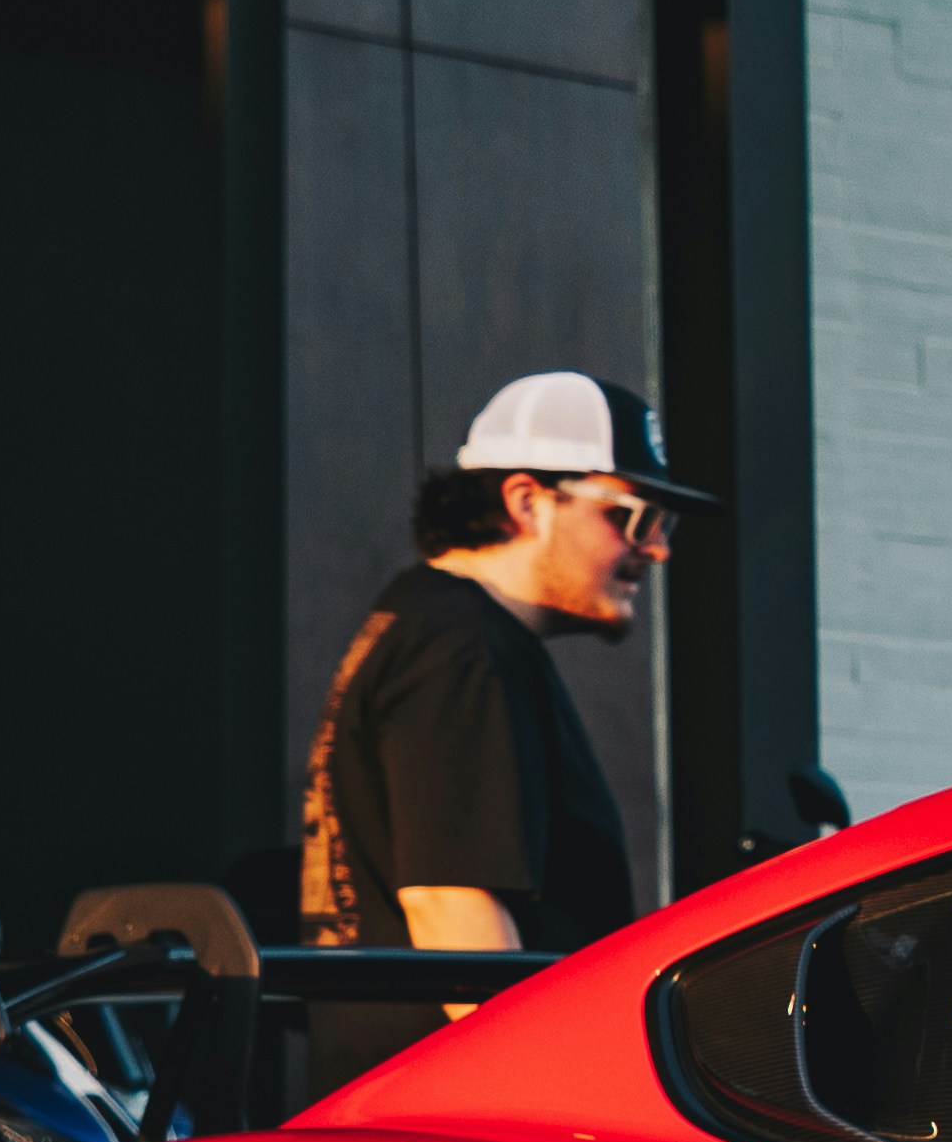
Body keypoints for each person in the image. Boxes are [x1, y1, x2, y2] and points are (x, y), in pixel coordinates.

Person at [298, 374, 704, 960]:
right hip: (457, 1051)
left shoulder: (432, 626)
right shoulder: (462, 649)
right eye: (636, 517)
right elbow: (455, 919)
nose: (658, 548)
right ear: (527, 503)